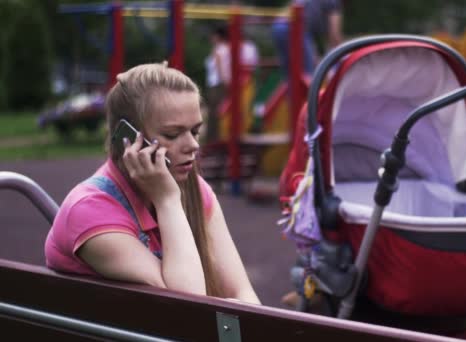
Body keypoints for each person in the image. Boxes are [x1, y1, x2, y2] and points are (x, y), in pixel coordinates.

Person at [44, 62, 260, 304]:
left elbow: (243, 294)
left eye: (195, 131)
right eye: (172, 134)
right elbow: (186, 304)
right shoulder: (89, 210)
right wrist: (167, 200)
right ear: (127, 139)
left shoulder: (196, 189)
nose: (193, 145)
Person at [271, 0, 343, 76]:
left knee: (291, 75)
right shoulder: (334, 2)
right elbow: (334, 35)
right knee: (307, 75)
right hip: (295, 28)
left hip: (278, 25)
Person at [204, 26, 231, 144]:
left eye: (213, 36)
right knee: (215, 112)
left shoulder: (220, 50)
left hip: (217, 84)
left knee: (214, 113)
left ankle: (213, 139)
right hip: (217, 83)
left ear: (218, 37)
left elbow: (220, 68)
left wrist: (224, 81)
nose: (211, 38)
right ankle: (215, 138)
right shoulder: (225, 49)